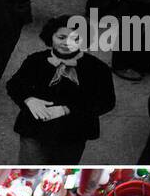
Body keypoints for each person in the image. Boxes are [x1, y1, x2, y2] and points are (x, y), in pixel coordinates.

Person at [6, 14, 115, 162]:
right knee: (30, 165)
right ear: (51, 37)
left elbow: (106, 102)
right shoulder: (36, 60)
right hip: (34, 129)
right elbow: (14, 85)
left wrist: (67, 109)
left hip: (74, 133)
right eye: (61, 37)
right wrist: (29, 99)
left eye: (75, 39)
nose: (67, 43)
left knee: (65, 167)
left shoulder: (97, 68)